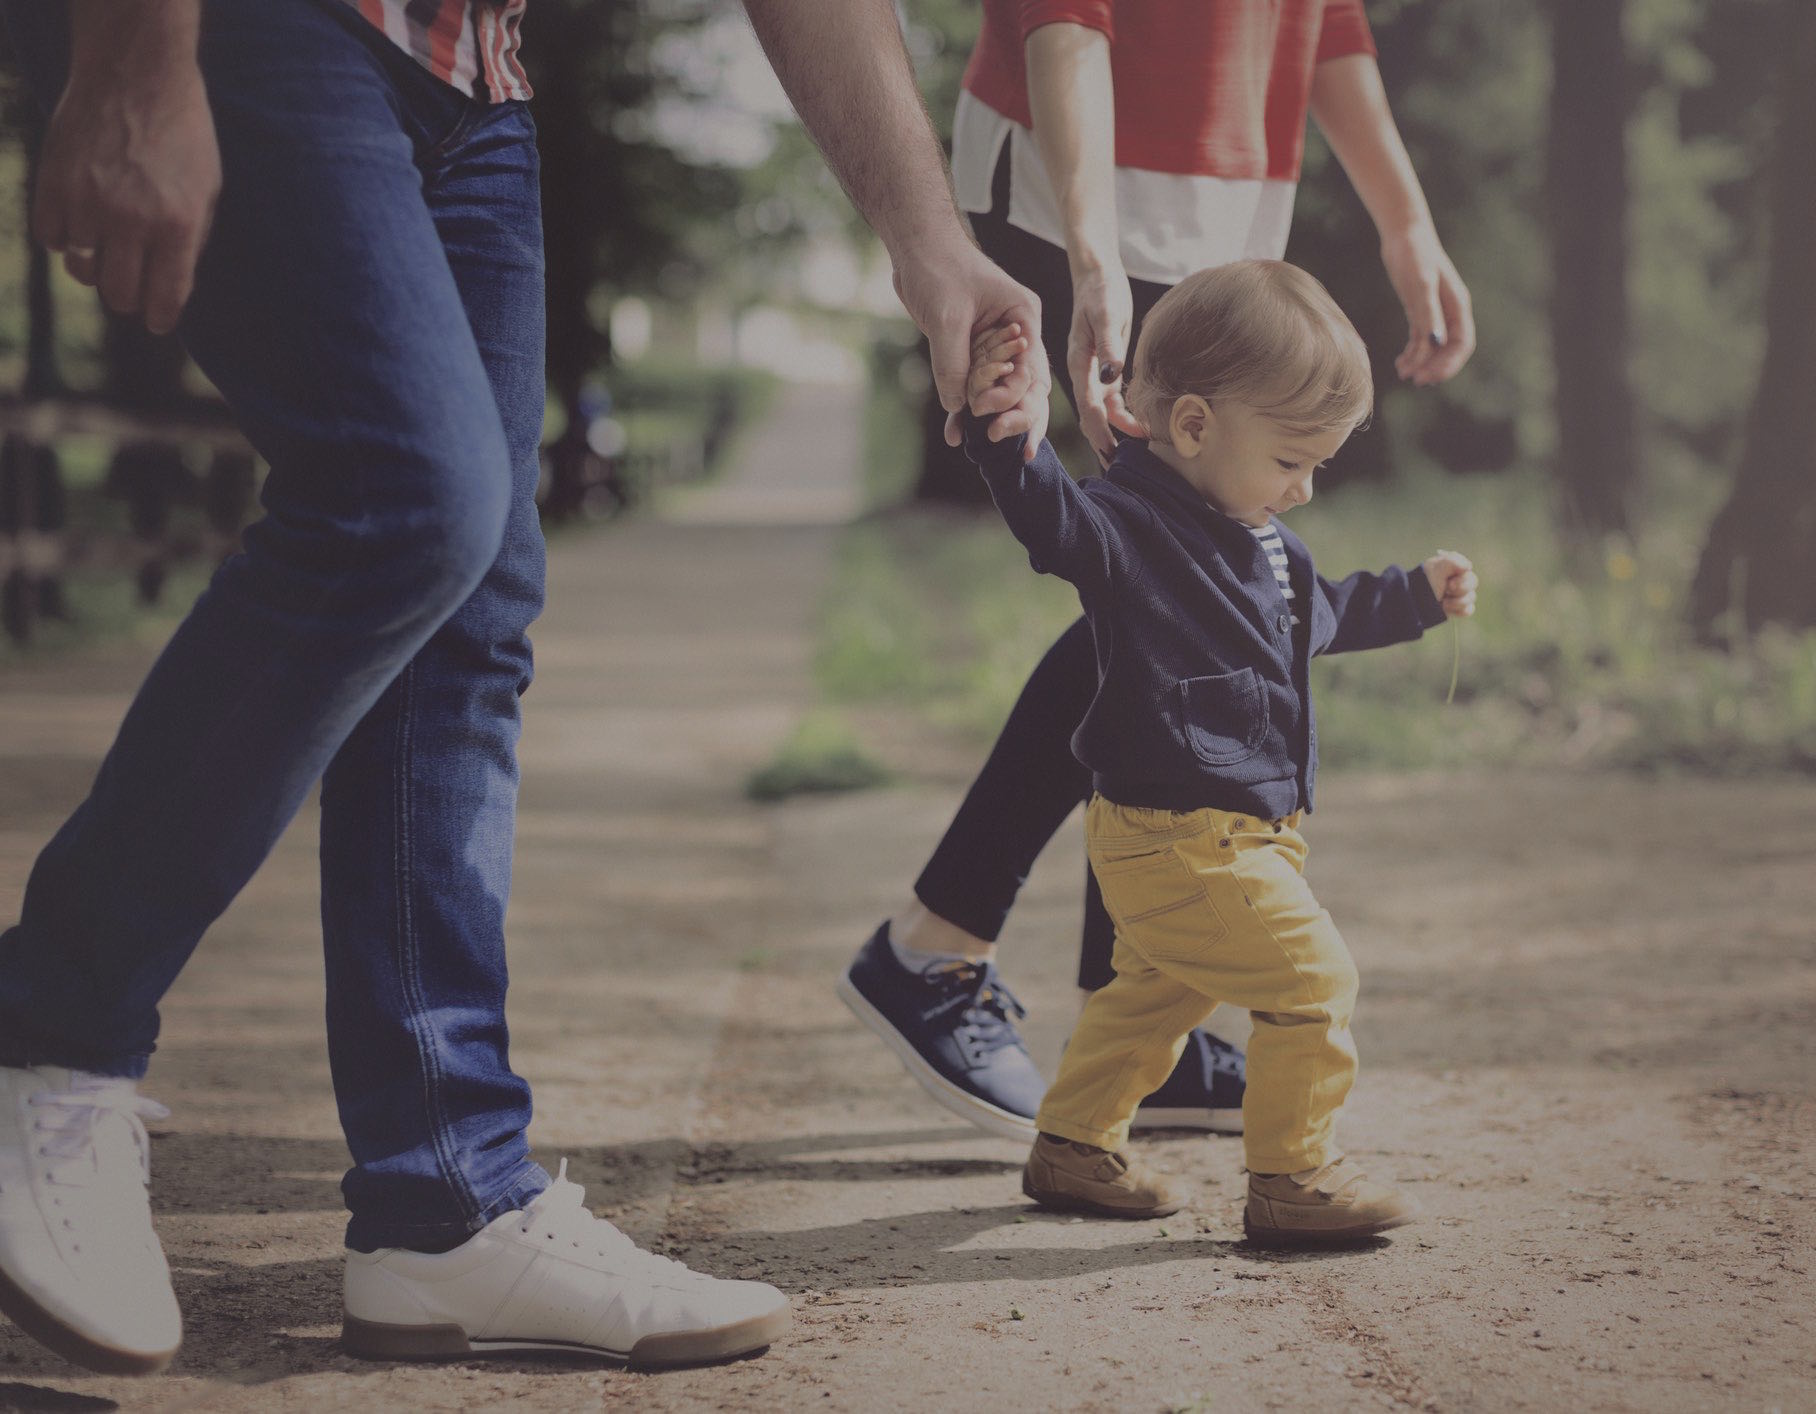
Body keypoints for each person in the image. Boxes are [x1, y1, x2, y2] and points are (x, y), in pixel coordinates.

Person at [0, 0, 1048, 1376]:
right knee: (407, 501)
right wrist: (135, 62)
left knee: (473, 606)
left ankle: (447, 1195)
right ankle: (50, 1040)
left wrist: (929, 240)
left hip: (475, 79)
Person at [839, 0, 1476, 1143]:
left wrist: (1407, 222)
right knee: (1147, 578)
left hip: (1226, 196)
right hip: (1072, 173)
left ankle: (1141, 1006)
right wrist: (1094, 254)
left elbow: (1324, 22)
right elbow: (1063, 17)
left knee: (1169, 591)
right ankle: (940, 944)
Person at [959, 261, 1477, 1246]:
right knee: (1314, 983)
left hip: (1230, 839)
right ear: (1195, 427)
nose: (1306, 488)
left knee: (1153, 997)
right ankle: (1293, 1174)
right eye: (1292, 460)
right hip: (1182, 840)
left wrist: (1414, 595)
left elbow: (1323, 616)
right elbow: (1049, 516)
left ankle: (1072, 1144)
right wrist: (1005, 432)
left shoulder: (1267, 542)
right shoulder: (1128, 526)